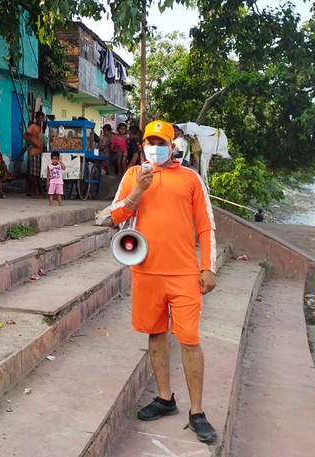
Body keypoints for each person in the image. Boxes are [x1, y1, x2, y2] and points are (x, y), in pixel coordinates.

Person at [110, 120, 218, 445]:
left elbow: (206, 226)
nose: (154, 146)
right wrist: (138, 190)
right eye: (149, 141)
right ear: (142, 144)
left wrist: (208, 267)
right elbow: (114, 215)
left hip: (185, 274)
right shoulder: (133, 175)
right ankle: (164, 397)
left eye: (161, 141)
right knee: (156, 335)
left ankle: (197, 412)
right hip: (145, 271)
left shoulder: (190, 179)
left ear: (173, 146)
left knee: (189, 340)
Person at [23, 110, 45, 197]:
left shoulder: (42, 127)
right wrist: (32, 144)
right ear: (36, 118)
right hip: (34, 152)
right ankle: (35, 192)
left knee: (39, 174)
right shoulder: (33, 127)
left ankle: (39, 191)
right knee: (34, 174)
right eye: (39, 118)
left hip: (41, 152)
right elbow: (25, 135)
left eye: (41, 118)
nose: (40, 120)